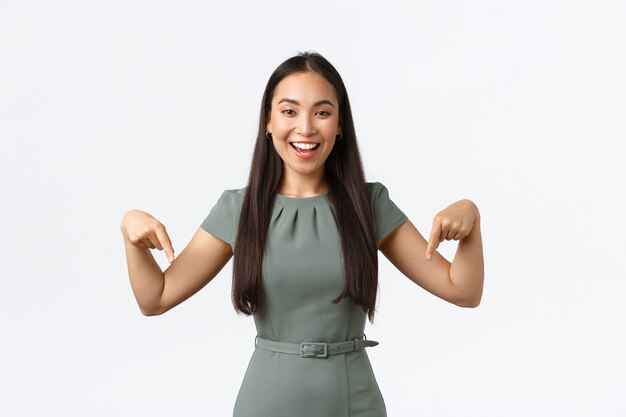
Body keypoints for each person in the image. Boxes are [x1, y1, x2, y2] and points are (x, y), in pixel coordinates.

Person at [120, 51, 484, 417]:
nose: (306, 128)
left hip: (354, 403)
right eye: (289, 111)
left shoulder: (368, 205)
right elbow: (157, 298)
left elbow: (463, 291)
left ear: (340, 124)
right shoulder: (239, 210)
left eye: (322, 112)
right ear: (268, 120)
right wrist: (129, 232)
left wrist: (471, 219)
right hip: (267, 402)